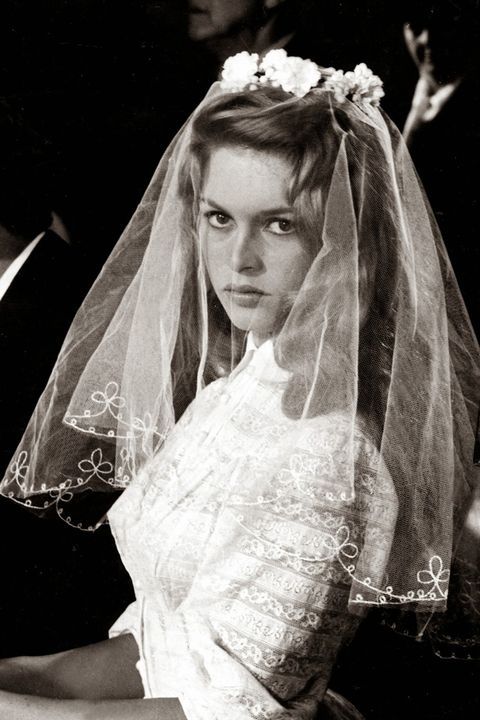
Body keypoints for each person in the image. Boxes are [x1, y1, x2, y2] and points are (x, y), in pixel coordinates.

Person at [0, 50, 478, 719]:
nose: (238, 261)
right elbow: (169, 643)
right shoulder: (240, 385)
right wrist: (24, 678)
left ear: (343, 241)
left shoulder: (329, 452)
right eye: (219, 217)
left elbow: (224, 709)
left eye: (279, 224)